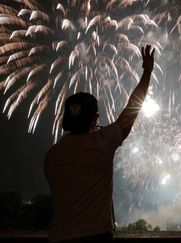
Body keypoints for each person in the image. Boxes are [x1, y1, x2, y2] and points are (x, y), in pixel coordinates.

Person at [44, 45, 155, 242]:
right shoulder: (102, 143)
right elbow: (132, 109)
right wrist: (147, 72)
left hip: (58, 238)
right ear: (95, 119)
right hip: (95, 237)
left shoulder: (52, 155)